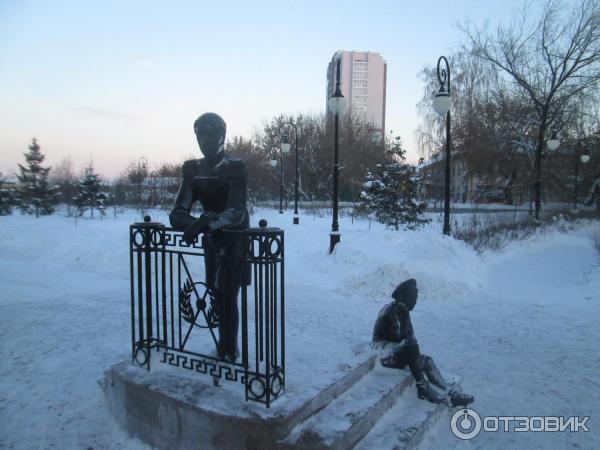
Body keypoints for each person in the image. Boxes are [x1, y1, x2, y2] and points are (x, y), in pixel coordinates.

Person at [169, 112, 250, 362]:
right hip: (212, 240)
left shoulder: (235, 167)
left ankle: (229, 350)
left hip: (235, 240)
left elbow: (236, 211)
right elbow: (177, 213)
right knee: (215, 293)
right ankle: (223, 348)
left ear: (222, 136)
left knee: (228, 294)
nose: (204, 141)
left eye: (210, 135)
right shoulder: (193, 169)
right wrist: (195, 223)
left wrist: (206, 222)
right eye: (200, 136)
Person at [372, 278, 474, 406]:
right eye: (413, 298)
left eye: (416, 298)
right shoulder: (389, 314)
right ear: (403, 297)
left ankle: (448, 392)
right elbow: (397, 339)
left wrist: (407, 331)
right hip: (383, 354)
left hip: (395, 351)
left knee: (427, 360)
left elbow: (409, 335)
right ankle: (422, 387)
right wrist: (408, 339)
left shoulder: (403, 311)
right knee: (412, 348)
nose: (415, 301)